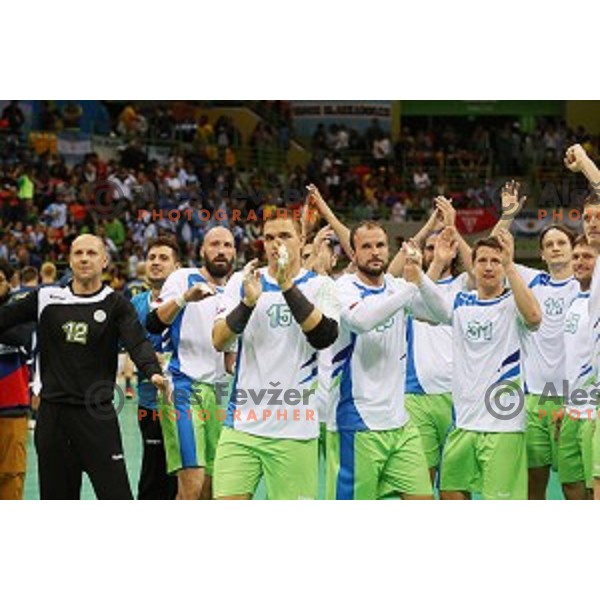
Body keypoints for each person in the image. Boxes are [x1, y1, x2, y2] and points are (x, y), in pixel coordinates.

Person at [0, 234, 168, 500]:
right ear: (70, 260)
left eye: (91, 253)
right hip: (53, 418)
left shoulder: (115, 303)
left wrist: (153, 372)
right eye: (78, 253)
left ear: (104, 261)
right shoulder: (46, 298)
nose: (84, 258)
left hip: (96, 416)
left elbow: (138, 342)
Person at [212, 213, 339, 500]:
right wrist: (247, 302)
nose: (275, 244)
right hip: (242, 425)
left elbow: (324, 337)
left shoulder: (321, 286)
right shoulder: (243, 282)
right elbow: (219, 340)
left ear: (302, 241)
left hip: (295, 429)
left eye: (284, 236)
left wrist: (286, 286)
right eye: (269, 238)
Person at [325, 221, 451, 500]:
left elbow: (443, 314)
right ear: (353, 254)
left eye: (380, 245)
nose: (374, 252)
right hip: (357, 424)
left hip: (400, 424)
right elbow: (362, 320)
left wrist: (419, 277)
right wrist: (409, 288)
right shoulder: (342, 288)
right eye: (366, 246)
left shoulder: (395, 287)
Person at [438, 231, 542, 500]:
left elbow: (533, 317)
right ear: (472, 266)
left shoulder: (513, 300)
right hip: (463, 423)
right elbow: (421, 303)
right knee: (450, 492)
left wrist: (510, 265)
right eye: (482, 260)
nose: (488, 266)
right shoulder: (461, 302)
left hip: (503, 425)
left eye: (495, 261)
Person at [491, 181, 579, 499]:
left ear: (573, 249)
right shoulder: (531, 281)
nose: (555, 247)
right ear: (541, 253)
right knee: (533, 481)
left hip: (576, 399)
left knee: (574, 485)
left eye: (561, 243)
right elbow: (494, 250)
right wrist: (507, 215)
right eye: (549, 244)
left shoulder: (588, 286)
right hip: (534, 399)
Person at [147, 226, 236, 500]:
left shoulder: (238, 289)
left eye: (227, 245)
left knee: (212, 486)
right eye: (214, 244)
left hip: (221, 392)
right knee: (192, 483)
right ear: (202, 250)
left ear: (235, 252)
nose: (221, 251)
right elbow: (154, 321)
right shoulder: (183, 278)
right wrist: (185, 298)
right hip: (183, 386)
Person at [389, 197, 472, 485]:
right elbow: (395, 275)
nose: (436, 250)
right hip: (416, 396)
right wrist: (428, 229)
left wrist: (451, 227)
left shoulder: (465, 286)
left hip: (459, 396)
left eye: (441, 245)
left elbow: (478, 264)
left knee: (454, 487)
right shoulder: (408, 289)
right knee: (419, 484)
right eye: (429, 248)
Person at [130, 237, 180, 500]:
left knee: (183, 474)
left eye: (163, 258)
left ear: (177, 266)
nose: (156, 263)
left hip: (186, 403)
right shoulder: (135, 304)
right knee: (152, 472)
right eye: (152, 258)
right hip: (149, 403)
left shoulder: (189, 303)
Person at [557, 235, 597, 499]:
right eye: (576, 256)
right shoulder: (573, 300)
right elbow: (571, 358)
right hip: (572, 408)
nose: (580, 262)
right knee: (570, 485)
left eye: (588, 256)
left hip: (595, 410)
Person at [0, 260, 34, 499]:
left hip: (11, 406)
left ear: (9, 283)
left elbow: (23, 337)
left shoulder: (21, 309)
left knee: (11, 474)